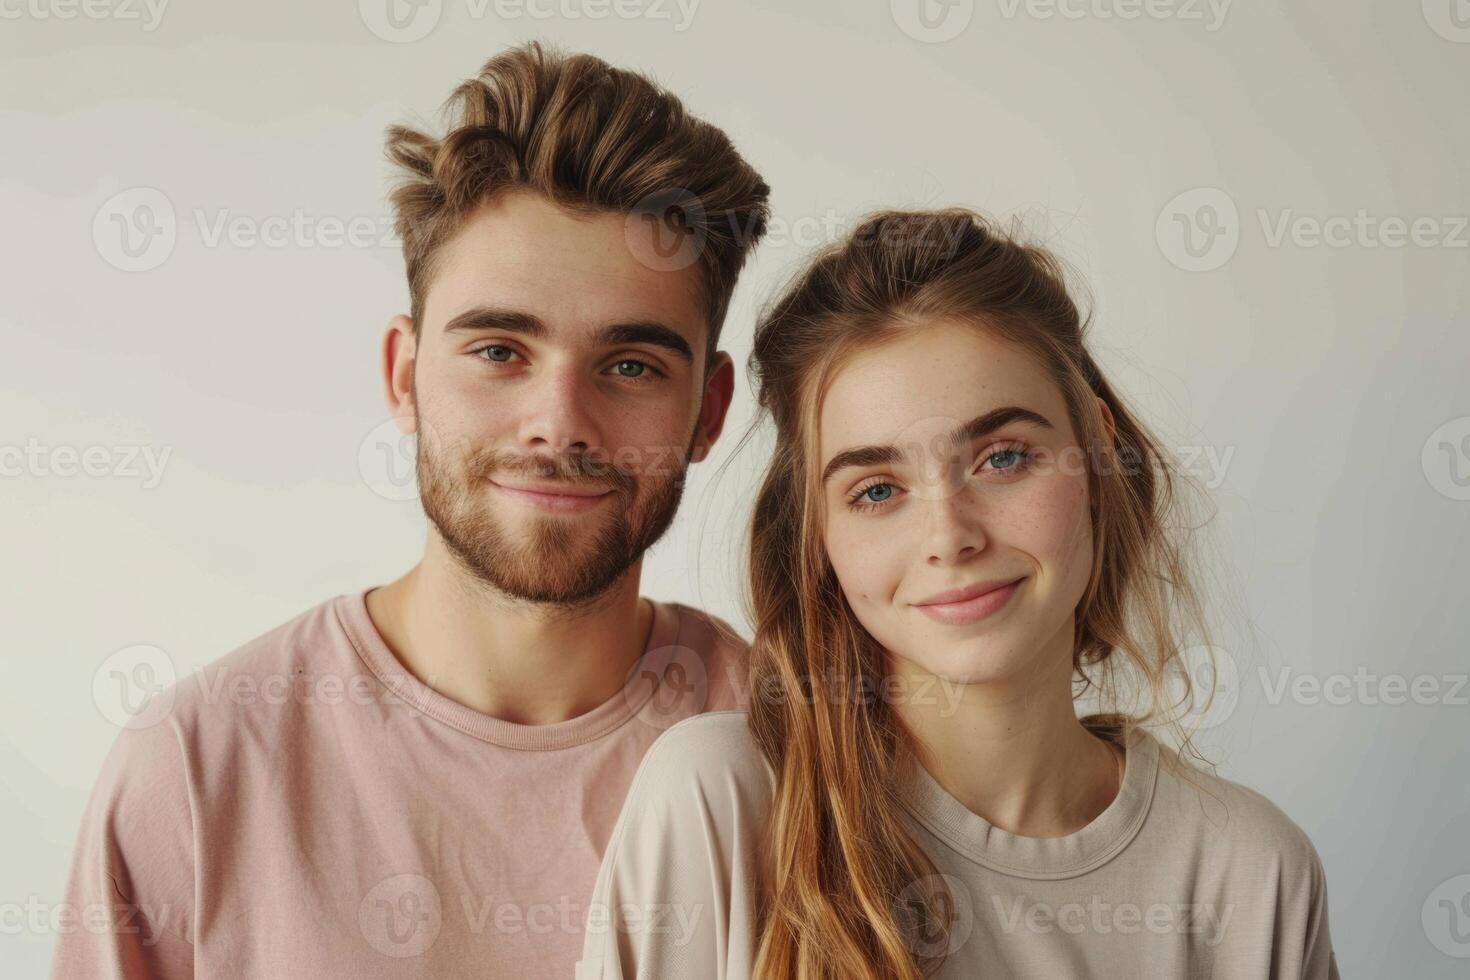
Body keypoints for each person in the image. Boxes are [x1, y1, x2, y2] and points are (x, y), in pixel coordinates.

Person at [51, 41, 769, 979]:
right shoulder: (193, 773)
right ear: (404, 374)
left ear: (708, 411)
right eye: (500, 351)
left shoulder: (801, 753)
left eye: (630, 365)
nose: (559, 424)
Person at [577, 209, 1339, 979]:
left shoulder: (1253, 875)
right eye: (877, 491)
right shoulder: (721, 804)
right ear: (818, 538)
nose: (950, 536)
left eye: (1004, 457)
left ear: (1098, 450)